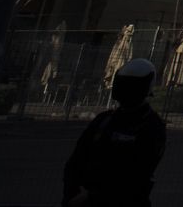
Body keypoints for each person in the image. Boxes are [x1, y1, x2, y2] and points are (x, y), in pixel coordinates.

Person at [62, 57, 165, 207]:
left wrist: (78, 196)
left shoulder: (149, 126)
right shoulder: (107, 120)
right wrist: (72, 195)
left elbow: (134, 176)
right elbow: (76, 162)